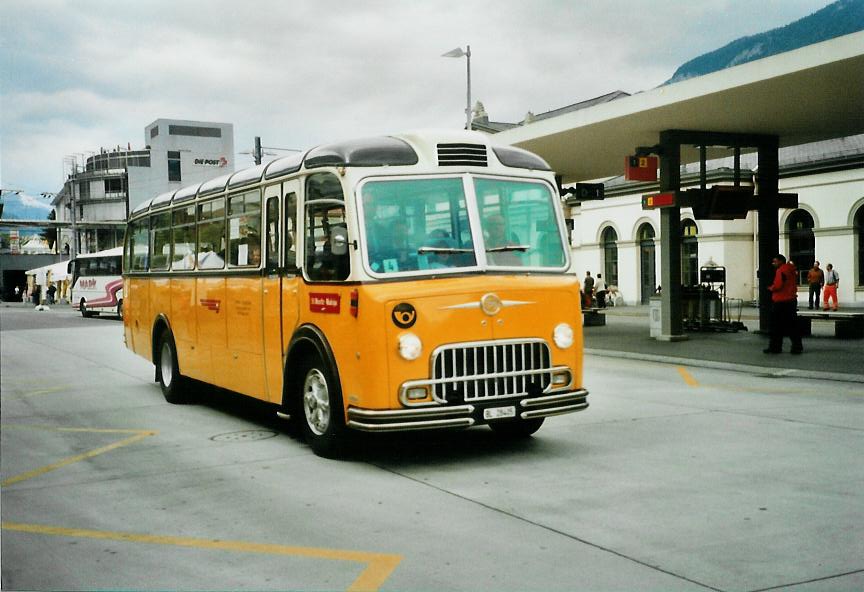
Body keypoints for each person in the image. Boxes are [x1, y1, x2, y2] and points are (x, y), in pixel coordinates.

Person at [765, 254, 803, 355]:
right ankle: (797, 346)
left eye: (775, 261)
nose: (773, 264)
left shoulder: (781, 270)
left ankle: (775, 347)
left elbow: (778, 285)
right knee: (792, 324)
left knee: (776, 326)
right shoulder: (791, 269)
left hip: (781, 300)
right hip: (791, 299)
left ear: (781, 261)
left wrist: (771, 288)